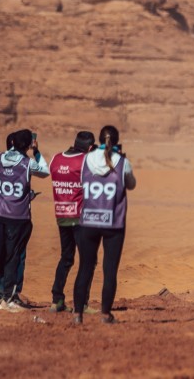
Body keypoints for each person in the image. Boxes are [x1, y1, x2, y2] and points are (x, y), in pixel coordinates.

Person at [72, 126, 136, 325]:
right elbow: (131, 184)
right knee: (110, 270)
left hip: (89, 221)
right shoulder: (122, 162)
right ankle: (106, 314)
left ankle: (77, 314)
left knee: (84, 268)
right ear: (116, 141)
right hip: (113, 223)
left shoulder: (85, 160)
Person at [0, 129, 49, 311]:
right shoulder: (28, 163)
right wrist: (36, 151)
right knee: (13, 257)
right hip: (18, 217)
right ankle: (7, 299)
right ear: (29, 144)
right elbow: (45, 171)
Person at [48, 131, 95, 313]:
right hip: (80, 217)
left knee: (66, 258)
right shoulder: (86, 162)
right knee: (88, 261)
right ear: (90, 148)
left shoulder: (55, 159)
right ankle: (81, 303)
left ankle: (56, 299)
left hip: (61, 215)